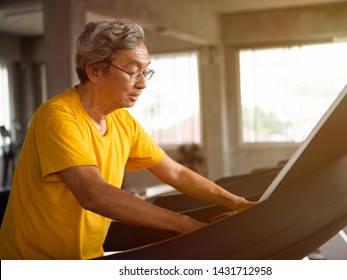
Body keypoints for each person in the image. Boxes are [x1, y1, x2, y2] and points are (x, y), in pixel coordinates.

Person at [0, 19, 255, 260]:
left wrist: (237, 202)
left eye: (146, 72)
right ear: (95, 71)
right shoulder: (57, 118)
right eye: (133, 72)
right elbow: (94, 194)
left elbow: (175, 173)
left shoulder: (122, 121)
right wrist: (185, 225)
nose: (143, 83)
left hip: (87, 259)